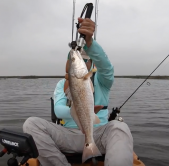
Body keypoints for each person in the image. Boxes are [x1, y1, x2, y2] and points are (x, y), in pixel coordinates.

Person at [23, 18, 133, 166]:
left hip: (99, 134)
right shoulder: (62, 84)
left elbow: (107, 68)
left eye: (87, 59)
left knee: (120, 127)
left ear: (92, 62)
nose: (83, 61)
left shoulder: (102, 81)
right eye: (74, 59)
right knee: (31, 124)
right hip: (68, 135)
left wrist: (90, 43)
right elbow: (59, 111)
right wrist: (85, 110)